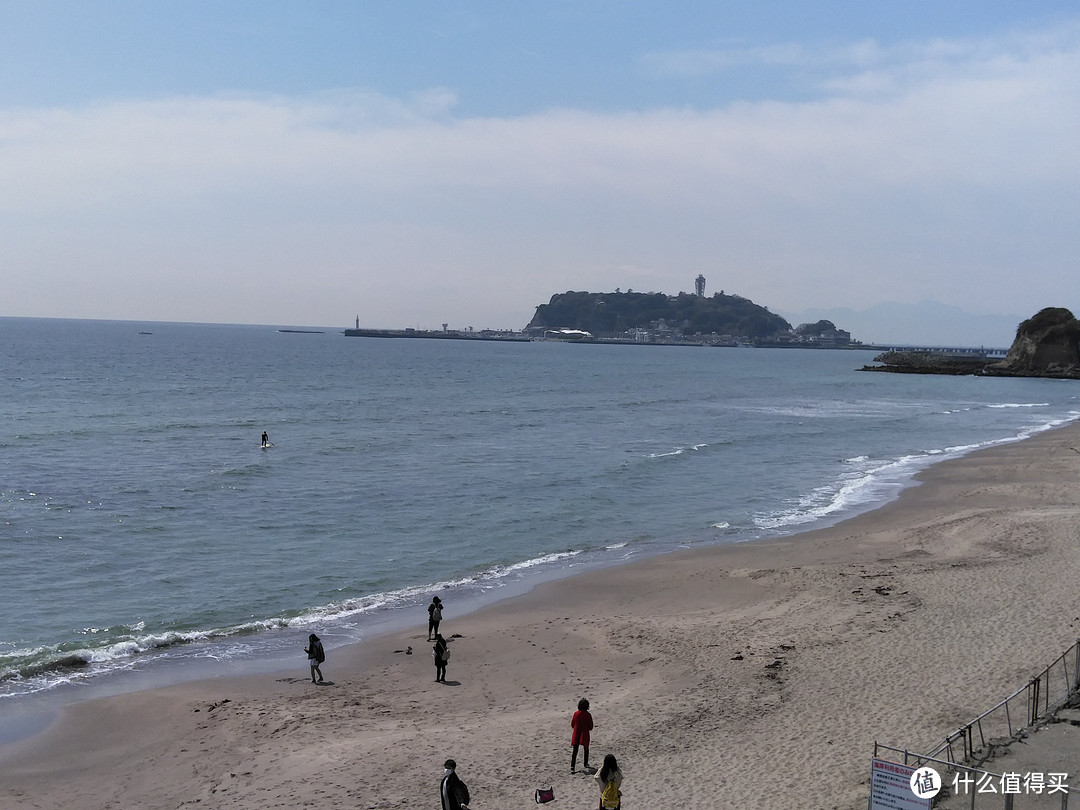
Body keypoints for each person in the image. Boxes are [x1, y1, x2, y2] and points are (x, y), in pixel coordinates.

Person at [571, 697, 594, 773]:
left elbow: (572, 724)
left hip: (576, 733)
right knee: (586, 748)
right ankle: (585, 763)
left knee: (575, 750)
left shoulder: (576, 714)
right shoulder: (588, 715)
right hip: (585, 734)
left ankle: (572, 766)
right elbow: (591, 727)